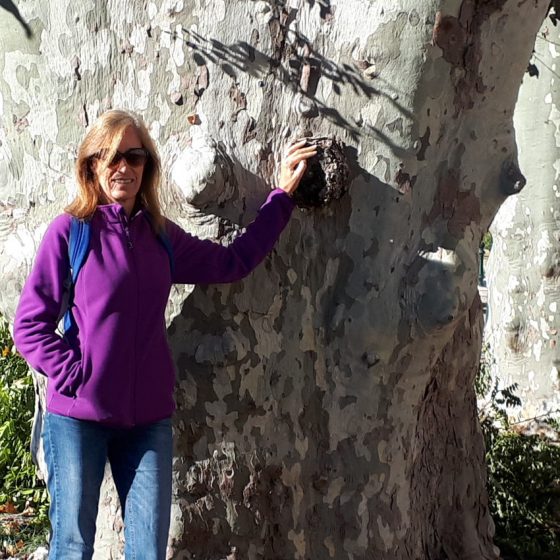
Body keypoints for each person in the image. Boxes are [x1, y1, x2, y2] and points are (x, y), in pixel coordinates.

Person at [13, 109, 316, 560]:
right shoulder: (71, 233)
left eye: (134, 157)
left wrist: (282, 198)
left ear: (147, 167)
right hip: (78, 420)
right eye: (110, 156)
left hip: (146, 422)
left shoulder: (161, 237)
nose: (123, 167)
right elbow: (29, 325)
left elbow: (232, 263)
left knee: (149, 552)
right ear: (92, 165)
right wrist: (76, 373)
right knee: (73, 547)